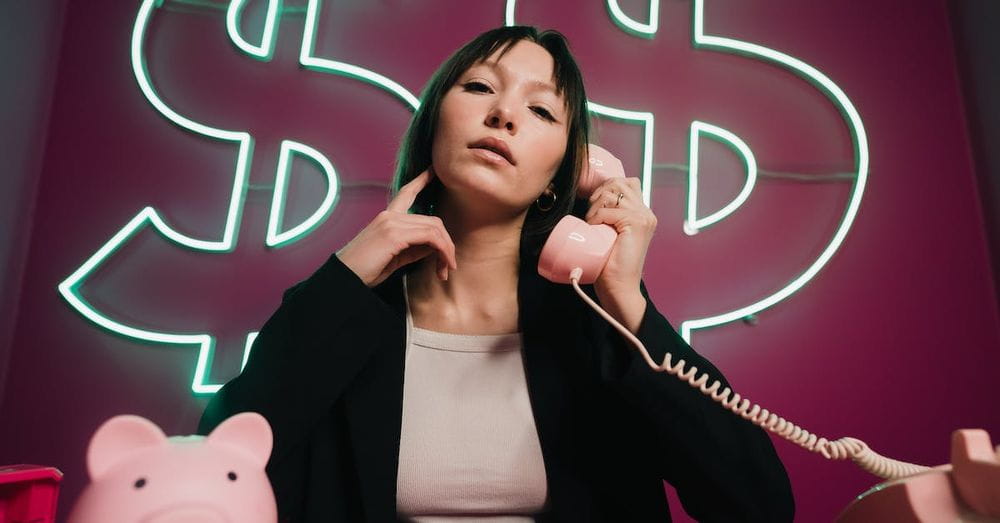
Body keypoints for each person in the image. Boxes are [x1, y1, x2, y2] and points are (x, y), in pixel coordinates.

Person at [199, 26, 795, 522]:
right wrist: (344, 280)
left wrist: (628, 308)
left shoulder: (594, 325)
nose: (504, 113)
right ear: (435, 122)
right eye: (480, 86)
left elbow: (758, 504)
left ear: (566, 173)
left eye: (540, 109)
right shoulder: (345, 314)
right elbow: (209, 479)